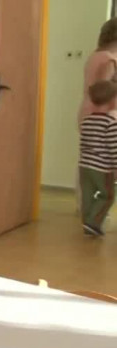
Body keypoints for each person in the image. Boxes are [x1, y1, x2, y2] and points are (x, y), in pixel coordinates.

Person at [79, 80, 117, 236]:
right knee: (107, 196)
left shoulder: (86, 121)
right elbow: (114, 148)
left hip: (84, 166)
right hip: (103, 168)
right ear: (112, 101)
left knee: (87, 196)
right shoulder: (111, 123)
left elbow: (83, 144)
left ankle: (87, 223)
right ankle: (93, 223)